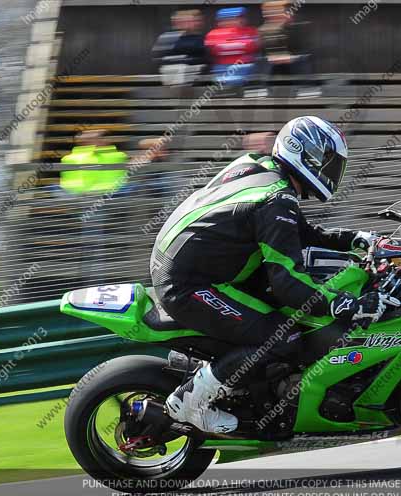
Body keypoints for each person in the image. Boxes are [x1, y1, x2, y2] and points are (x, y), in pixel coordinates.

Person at [150, 116, 386, 433]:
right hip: (190, 283)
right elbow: (288, 282)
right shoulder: (277, 199)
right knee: (284, 337)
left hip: (190, 265)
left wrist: (353, 239)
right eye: (328, 162)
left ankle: (237, 380)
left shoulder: (259, 167)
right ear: (304, 153)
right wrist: (340, 304)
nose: (332, 171)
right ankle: (191, 401)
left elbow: (298, 233)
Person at [258, 0, 318, 97]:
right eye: (270, 12)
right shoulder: (264, 30)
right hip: (275, 71)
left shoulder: (296, 28)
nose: (274, 15)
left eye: (277, 11)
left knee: (303, 62)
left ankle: (306, 91)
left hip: (295, 68)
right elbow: (265, 54)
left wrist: (291, 58)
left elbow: (305, 50)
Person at [204, 7, 260, 89]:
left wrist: (230, 45)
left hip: (247, 67)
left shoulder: (251, 31)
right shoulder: (213, 34)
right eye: (227, 19)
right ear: (220, 21)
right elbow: (215, 50)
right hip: (222, 68)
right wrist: (240, 45)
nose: (230, 22)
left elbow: (253, 47)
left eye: (237, 18)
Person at [152, 10, 207, 86]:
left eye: (190, 21)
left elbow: (204, 58)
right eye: (183, 21)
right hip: (171, 75)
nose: (187, 23)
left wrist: (187, 61)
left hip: (195, 77)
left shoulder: (200, 38)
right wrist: (181, 60)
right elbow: (158, 58)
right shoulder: (167, 37)